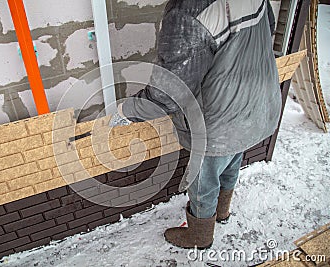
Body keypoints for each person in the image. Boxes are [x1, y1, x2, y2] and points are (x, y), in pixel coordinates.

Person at [110, 0, 281, 249]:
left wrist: (129, 110)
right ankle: (221, 213)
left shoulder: (187, 13)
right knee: (231, 161)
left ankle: (199, 237)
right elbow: (269, 28)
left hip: (218, 122)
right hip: (256, 104)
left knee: (203, 184)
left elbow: (170, 91)